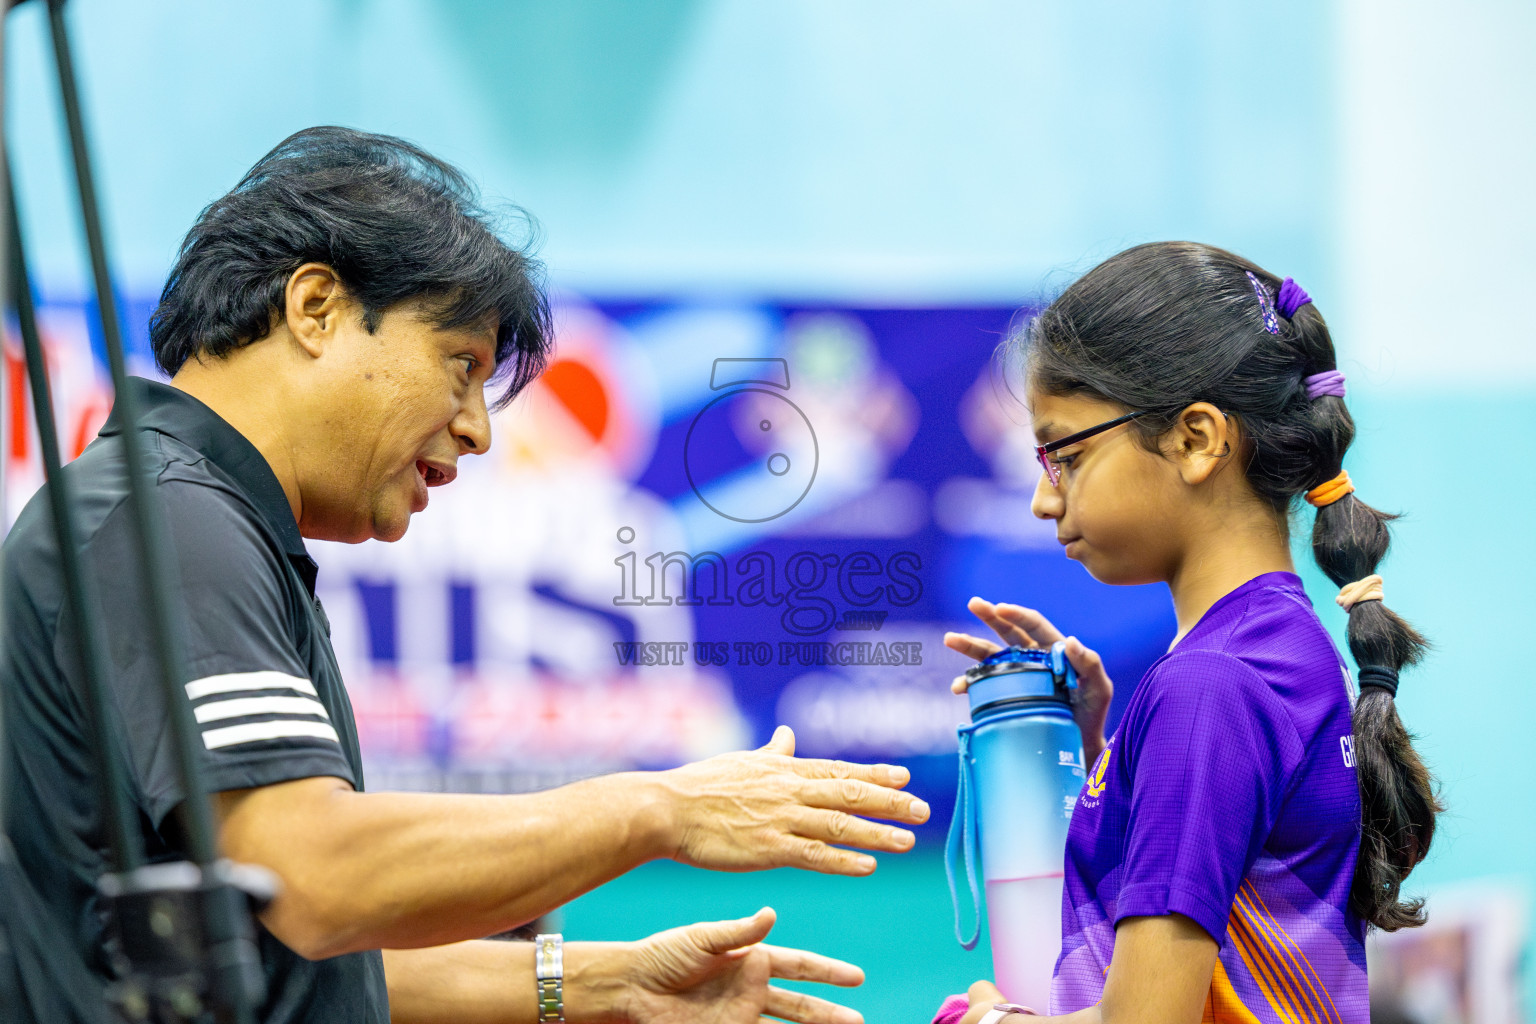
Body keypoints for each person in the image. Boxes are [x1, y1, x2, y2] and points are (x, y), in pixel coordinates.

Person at [0, 126, 929, 1024]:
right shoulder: (171, 521)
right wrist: (658, 806)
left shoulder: (194, 515)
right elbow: (318, 879)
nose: (479, 428)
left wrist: (612, 986)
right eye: (462, 367)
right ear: (316, 309)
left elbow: (285, 949)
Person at [937, 242, 1440, 1024]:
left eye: (1063, 454)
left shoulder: (1209, 687)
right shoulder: (1279, 648)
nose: (1044, 498)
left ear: (1198, 439)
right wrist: (1103, 750)